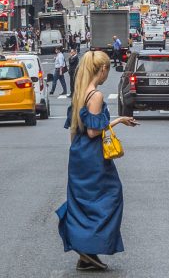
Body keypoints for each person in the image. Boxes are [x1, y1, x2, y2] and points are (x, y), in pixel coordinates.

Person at [57, 50, 138, 272]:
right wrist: (119, 121)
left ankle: (86, 255)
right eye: (107, 70)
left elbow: (74, 130)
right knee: (111, 196)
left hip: (79, 153)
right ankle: (87, 247)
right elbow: (94, 131)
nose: (107, 75)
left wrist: (76, 154)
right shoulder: (96, 95)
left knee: (83, 202)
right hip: (93, 155)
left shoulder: (79, 93)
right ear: (102, 69)